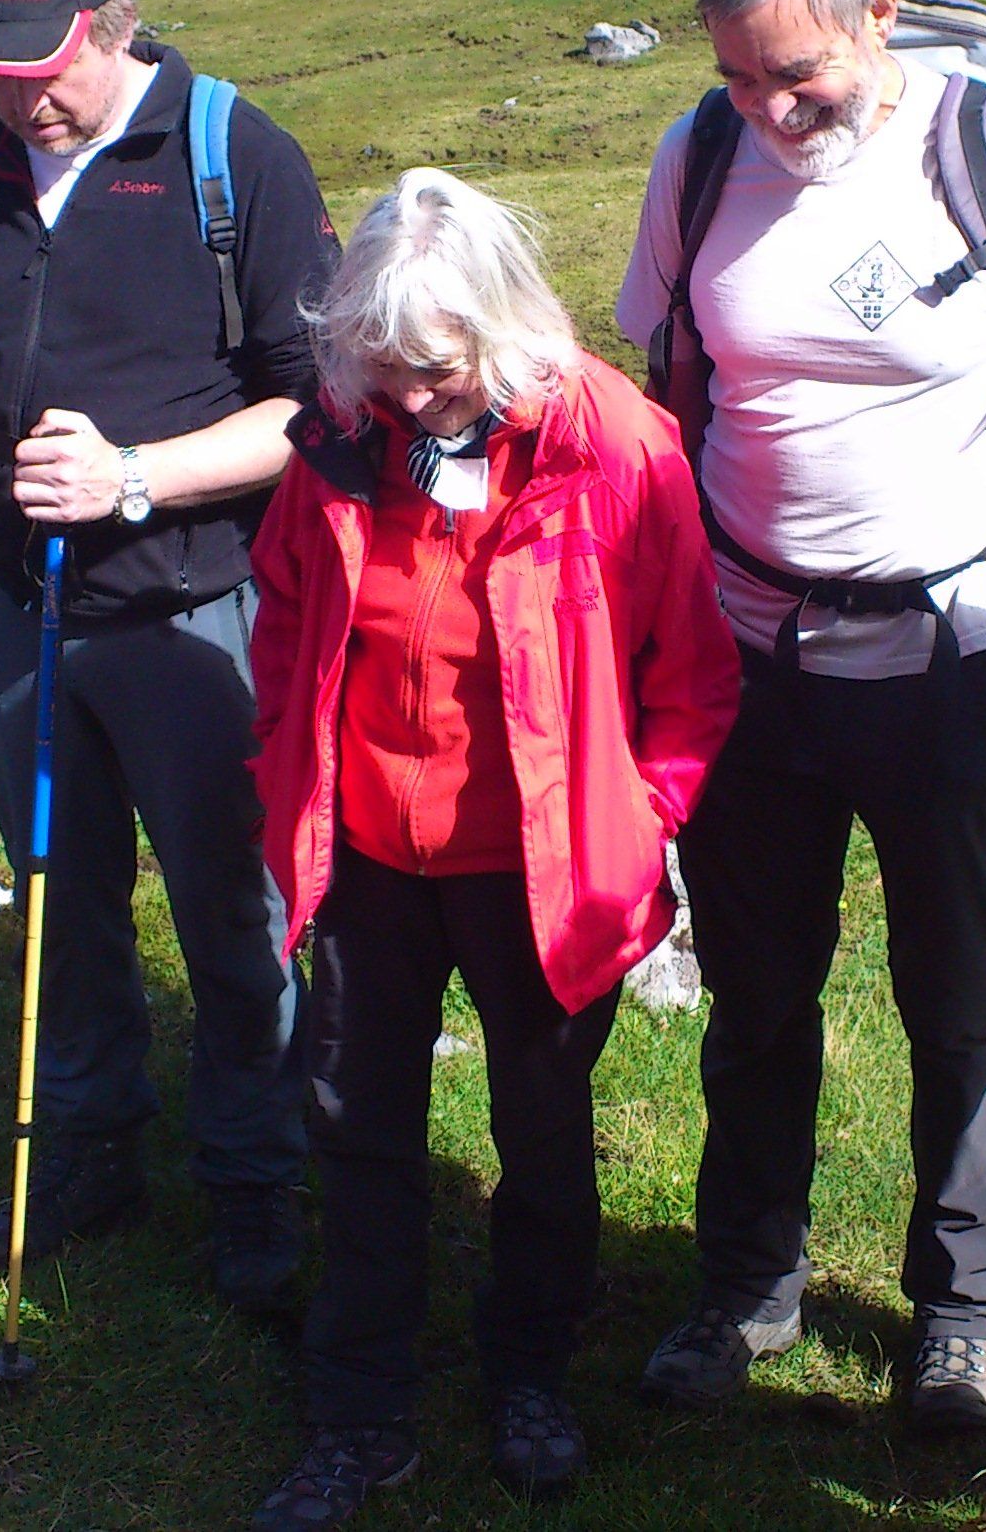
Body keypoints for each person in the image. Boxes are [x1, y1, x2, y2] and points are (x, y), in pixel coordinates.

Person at [618, 0, 986, 1433]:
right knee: (757, 988)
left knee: (956, 996)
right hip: (747, 661)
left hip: (942, 665)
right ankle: (745, 1286)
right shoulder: (701, 160)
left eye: (799, 75)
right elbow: (670, 396)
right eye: (737, 77)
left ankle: (963, 1319)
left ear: (881, 14)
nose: (771, 111)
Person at [242, 170, 739, 1527]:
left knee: (543, 1132)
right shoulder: (337, 438)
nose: (412, 402)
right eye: (384, 371)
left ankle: (531, 1378)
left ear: (504, 327)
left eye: (439, 371)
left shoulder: (617, 443)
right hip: (367, 857)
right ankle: (358, 1415)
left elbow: (694, 674)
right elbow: (284, 610)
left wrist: (641, 818)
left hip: (544, 869)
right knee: (356, 1129)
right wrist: (283, 767)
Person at [0, 0, 340, 1310]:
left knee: (235, 914)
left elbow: (317, 409)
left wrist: (135, 477)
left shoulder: (233, 154)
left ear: (106, 23)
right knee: (57, 900)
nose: (18, 101)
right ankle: (87, 1149)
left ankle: (254, 1179)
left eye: (39, 69)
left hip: (196, 614)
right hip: (20, 610)